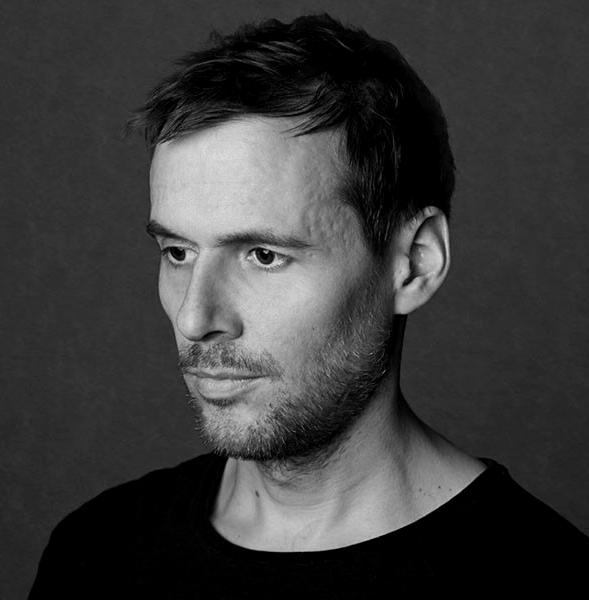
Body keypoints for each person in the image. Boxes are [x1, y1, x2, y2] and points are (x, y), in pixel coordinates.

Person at [29, 13, 587, 597]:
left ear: (416, 263)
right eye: (177, 252)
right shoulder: (96, 552)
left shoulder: (544, 576)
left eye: (264, 255)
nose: (195, 318)